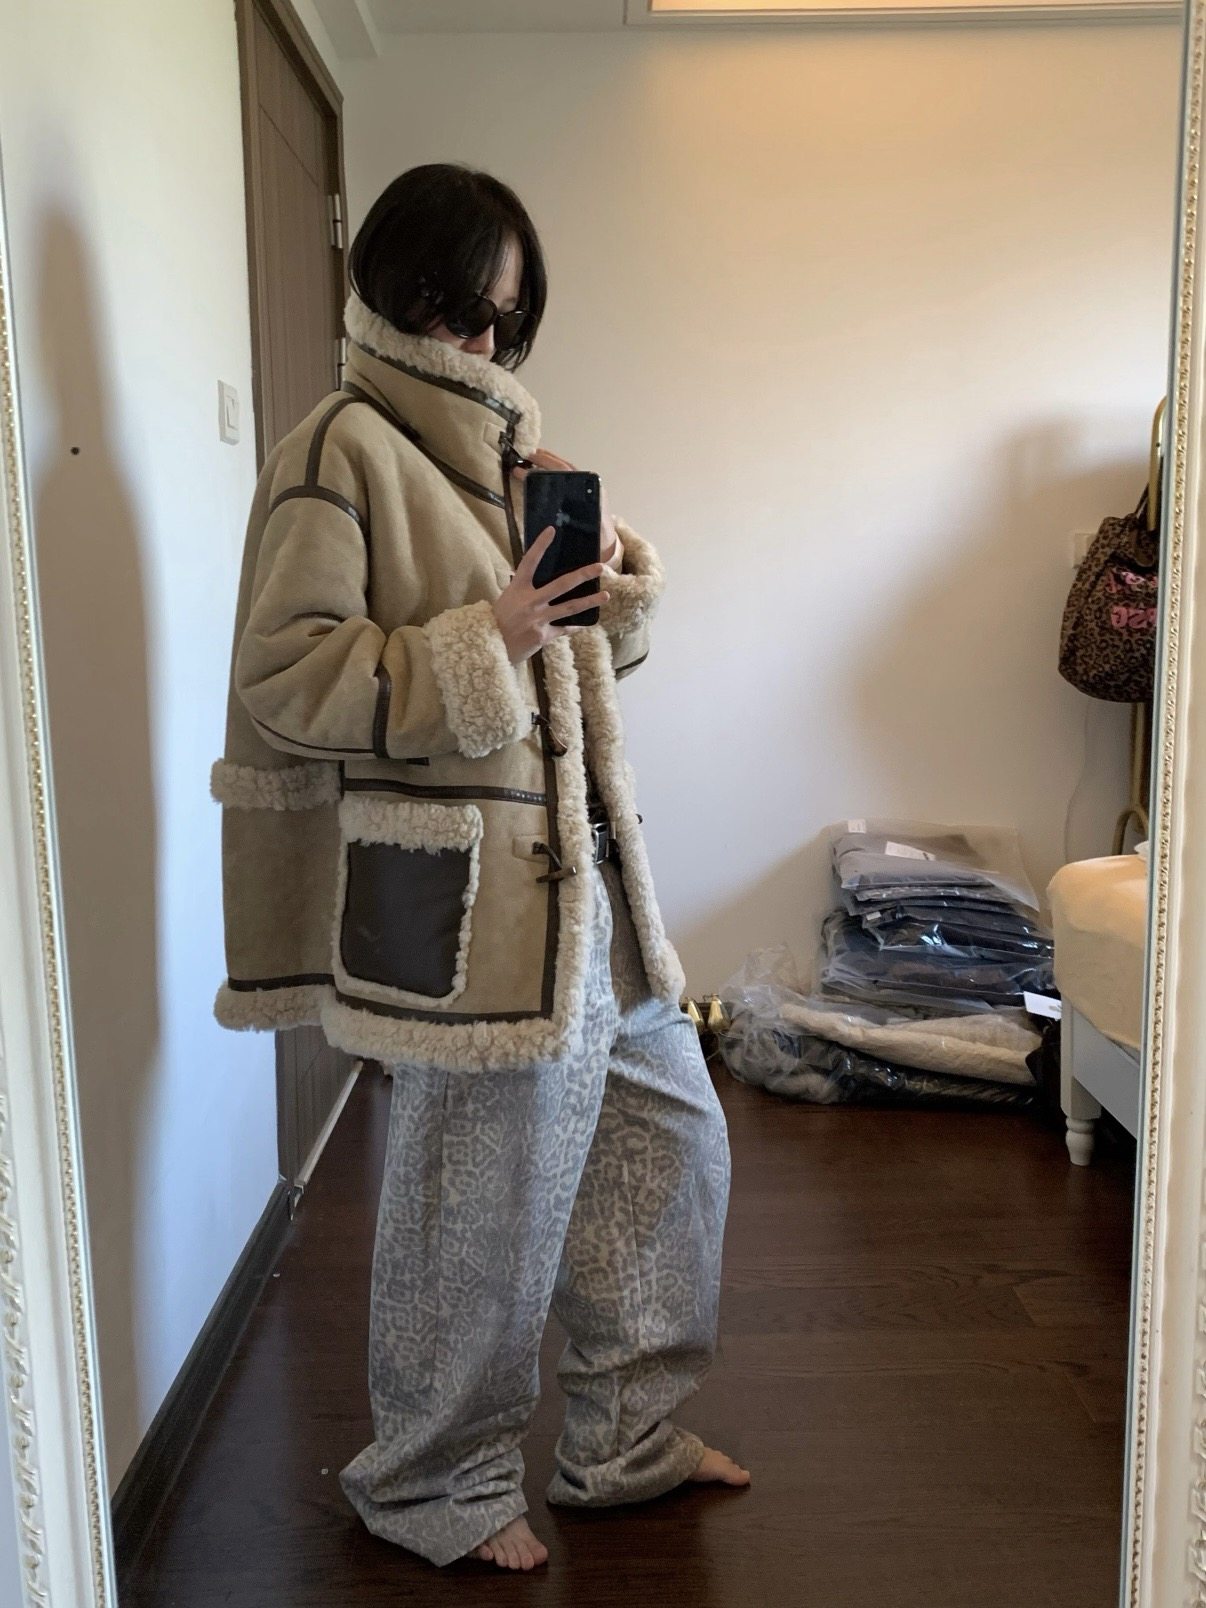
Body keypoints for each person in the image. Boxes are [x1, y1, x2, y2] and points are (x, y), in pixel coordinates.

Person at [210, 162, 748, 1571]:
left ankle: (624, 1440)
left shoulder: (505, 457)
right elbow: (286, 680)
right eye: (467, 310)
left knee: (673, 1144)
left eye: (510, 319)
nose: (487, 344)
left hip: (590, 884)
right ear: (404, 292)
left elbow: (579, 664)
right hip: (471, 908)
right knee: (478, 1204)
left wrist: (601, 582)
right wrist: (490, 635)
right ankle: (428, 1484)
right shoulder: (342, 450)